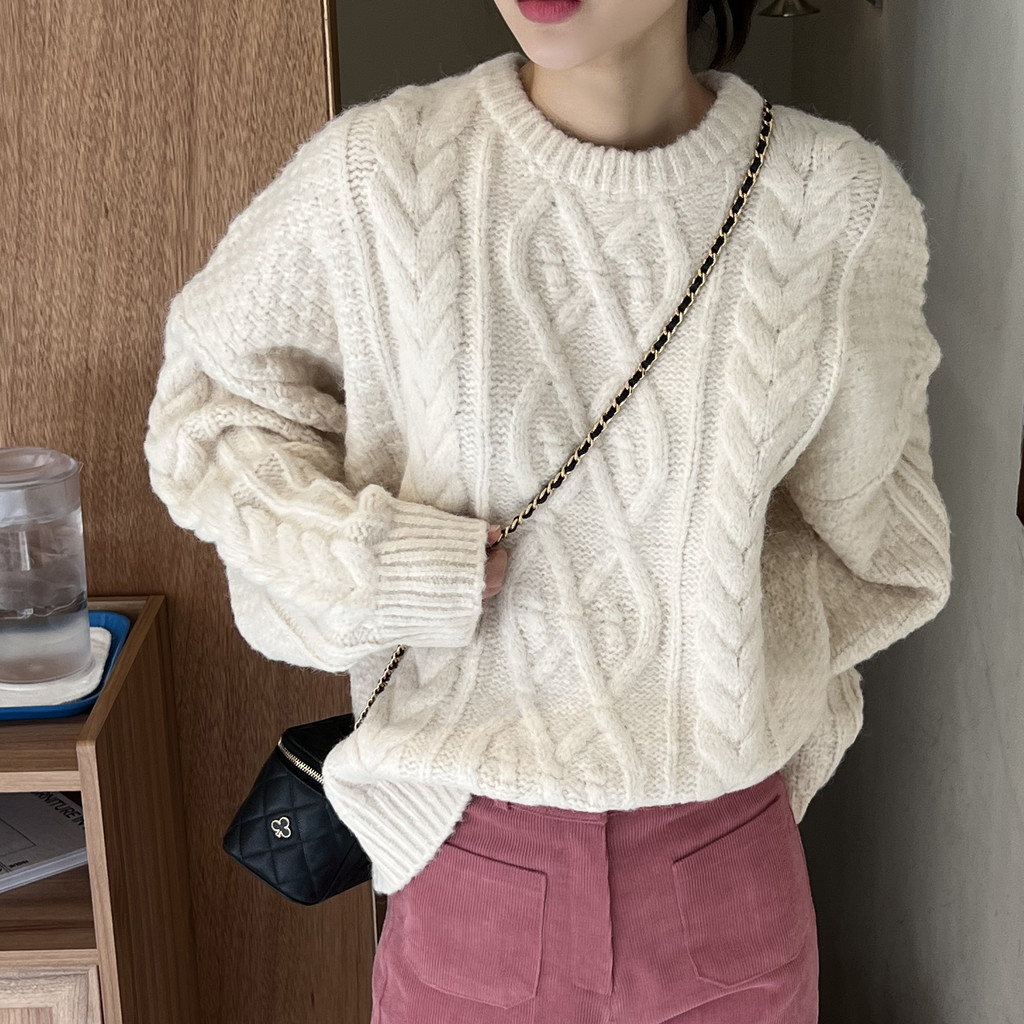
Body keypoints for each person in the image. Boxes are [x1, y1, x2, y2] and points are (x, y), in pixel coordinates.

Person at [143, 0, 953, 1020]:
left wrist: (722, 650)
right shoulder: (381, 172)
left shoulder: (837, 206)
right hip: (472, 864)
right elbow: (212, 416)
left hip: (721, 865)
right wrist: (387, 568)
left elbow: (884, 544)